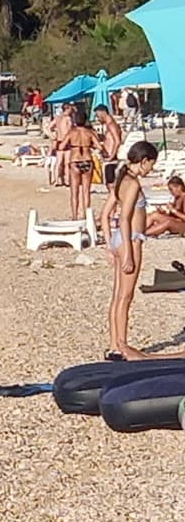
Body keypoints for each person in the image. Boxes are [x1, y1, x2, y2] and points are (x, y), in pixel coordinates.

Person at [103, 141, 159, 359]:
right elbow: (124, 218)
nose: (151, 169)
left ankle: (114, 344)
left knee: (117, 296)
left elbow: (105, 215)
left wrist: (110, 245)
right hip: (131, 240)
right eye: (151, 165)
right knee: (126, 296)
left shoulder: (121, 179)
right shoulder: (133, 184)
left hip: (119, 240)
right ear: (143, 161)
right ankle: (122, 347)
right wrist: (127, 252)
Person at [65, 107, 100, 220]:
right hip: (87, 160)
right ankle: (86, 216)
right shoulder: (89, 133)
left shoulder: (72, 132)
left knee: (74, 191)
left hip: (75, 160)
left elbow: (61, 146)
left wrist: (71, 145)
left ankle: (75, 216)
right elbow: (99, 146)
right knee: (86, 191)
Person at [50, 103, 73, 187]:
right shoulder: (68, 118)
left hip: (59, 140)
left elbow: (49, 127)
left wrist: (53, 135)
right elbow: (70, 130)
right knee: (67, 162)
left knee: (59, 162)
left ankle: (56, 180)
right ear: (67, 109)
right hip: (66, 141)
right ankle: (67, 180)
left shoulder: (58, 118)